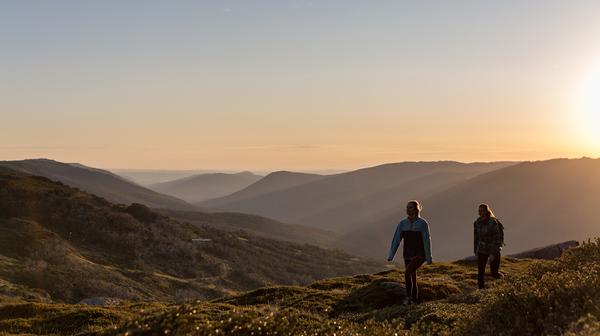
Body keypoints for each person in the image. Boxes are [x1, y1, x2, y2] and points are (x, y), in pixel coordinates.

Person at [387, 200, 433, 305]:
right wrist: (391, 255)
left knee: (407, 273)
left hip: (419, 255)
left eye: (410, 207)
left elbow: (426, 240)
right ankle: (414, 300)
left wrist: (428, 257)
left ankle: (408, 298)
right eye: (407, 208)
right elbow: (396, 240)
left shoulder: (422, 223)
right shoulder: (402, 224)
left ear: (416, 209)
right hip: (407, 254)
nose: (408, 210)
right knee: (412, 276)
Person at [474, 203, 505, 289]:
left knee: (494, 273)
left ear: (486, 211)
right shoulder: (477, 223)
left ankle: (504, 281)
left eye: (481, 210)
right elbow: (476, 238)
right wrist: (475, 251)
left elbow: (497, 239)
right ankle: (481, 290)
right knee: (480, 272)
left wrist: (493, 254)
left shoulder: (493, 222)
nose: (479, 212)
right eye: (479, 210)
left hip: (493, 249)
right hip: (481, 249)